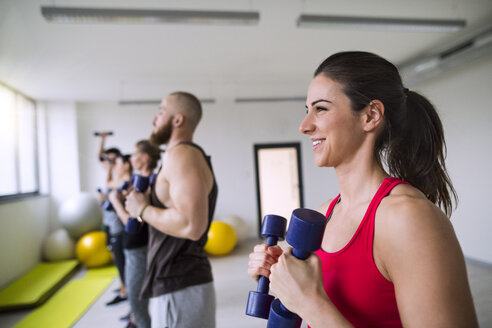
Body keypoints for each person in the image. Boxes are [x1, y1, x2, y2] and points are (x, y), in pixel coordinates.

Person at [248, 51, 478, 327]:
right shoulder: (324, 214)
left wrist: (312, 304)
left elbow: (316, 308)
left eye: (320, 109)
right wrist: (279, 278)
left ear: (370, 116)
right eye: (307, 110)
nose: (305, 126)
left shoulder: (408, 218)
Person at [125, 91, 218, 328]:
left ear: (177, 120)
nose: (154, 119)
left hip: (178, 283)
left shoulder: (181, 154)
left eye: (160, 111)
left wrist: (143, 209)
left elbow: (191, 225)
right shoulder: (178, 156)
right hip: (179, 283)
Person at [109, 140, 161, 328]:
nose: (130, 158)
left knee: (137, 301)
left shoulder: (150, 184)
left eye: (133, 154)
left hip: (139, 247)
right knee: (135, 299)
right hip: (131, 247)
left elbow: (133, 223)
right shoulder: (137, 183)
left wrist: (115, 202)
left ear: (144, 158)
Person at [97, 134, 129, 306]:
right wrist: (102, 141)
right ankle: (123, 287)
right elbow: (100, 157)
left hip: (119, 225)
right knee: (117, 259)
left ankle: (125, 290)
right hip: (110, 222)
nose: (108, 163)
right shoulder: (114, 176)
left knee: (121, 259)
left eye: (112, 160)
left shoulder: (123, 179)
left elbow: (111, 185)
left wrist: (110, 199)